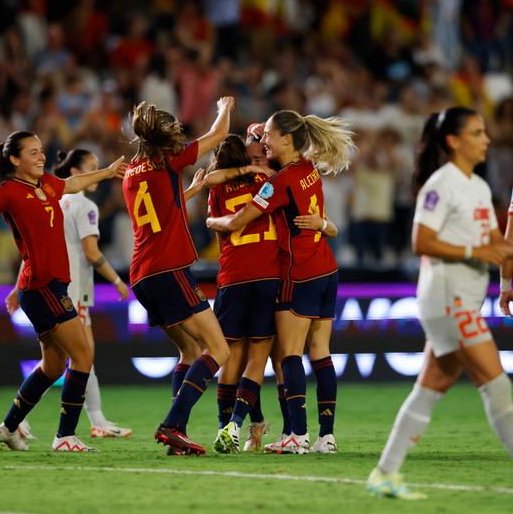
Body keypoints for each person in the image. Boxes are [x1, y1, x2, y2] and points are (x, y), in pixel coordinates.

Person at [367, 106, 513, 500]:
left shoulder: (478, 187)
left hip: (462, 297)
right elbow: (422, 241)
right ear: (453, 141)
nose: (486, 139)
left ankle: (384, 473)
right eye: (477, 133)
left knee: (431, 386)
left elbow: (495, 244)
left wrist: (503, 257)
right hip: (448, 299)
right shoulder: (441, 184)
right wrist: (476, 251)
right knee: (497, 386)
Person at [206, 109, 354, 454]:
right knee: (320, 352)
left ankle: (297, 435)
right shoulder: (308, 168)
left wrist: (212, 221)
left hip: (298, 273)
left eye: (270, 136)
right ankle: (326, 437)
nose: (264, 142)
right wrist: (323, 226)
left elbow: (236, 222)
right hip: (327, 271)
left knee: (288, 355)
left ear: (286, 139)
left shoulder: (279, 182)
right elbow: (330, 226)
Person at [0, 131, 126, 452]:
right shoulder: (8, 191)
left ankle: (8, 428)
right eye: (33, 152)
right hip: (42, 287)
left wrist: (107, 172)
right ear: (14, 160)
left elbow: (72, 184)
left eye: (41, 151)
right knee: (83, 354)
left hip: (51, 286)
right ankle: (65, 435)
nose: (41, 156)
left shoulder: (47, 184)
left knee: (53, 366)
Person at [122, 96, 234, 456]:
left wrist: (192, 191)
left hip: (142, 274)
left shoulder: (131, 175)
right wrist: (224, 107)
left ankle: (178, 436)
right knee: (219, 349)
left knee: (189, 350)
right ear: (163, 138)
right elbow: (219, 134)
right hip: (169, 271)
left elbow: (159, 212)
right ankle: (172, 425)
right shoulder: (169, 160)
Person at [204, 134, 278, 454]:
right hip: (266, 274)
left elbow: (222, 232)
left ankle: (227, 428)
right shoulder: (270, 181)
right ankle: (239, 425)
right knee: (257, 357)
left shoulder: (218, 187)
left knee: (231, 356)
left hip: (233, 276)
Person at [54, 148, 132, 438]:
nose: (98, 171)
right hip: (75, 292)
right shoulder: (86, 206)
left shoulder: (56, 201)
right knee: (83, 356)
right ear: (75, 172)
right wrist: (116, 280)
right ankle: (96, 421)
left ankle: (18, 423)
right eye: (92, 166)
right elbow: (91, 251)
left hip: (54, 289)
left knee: (55, 360)